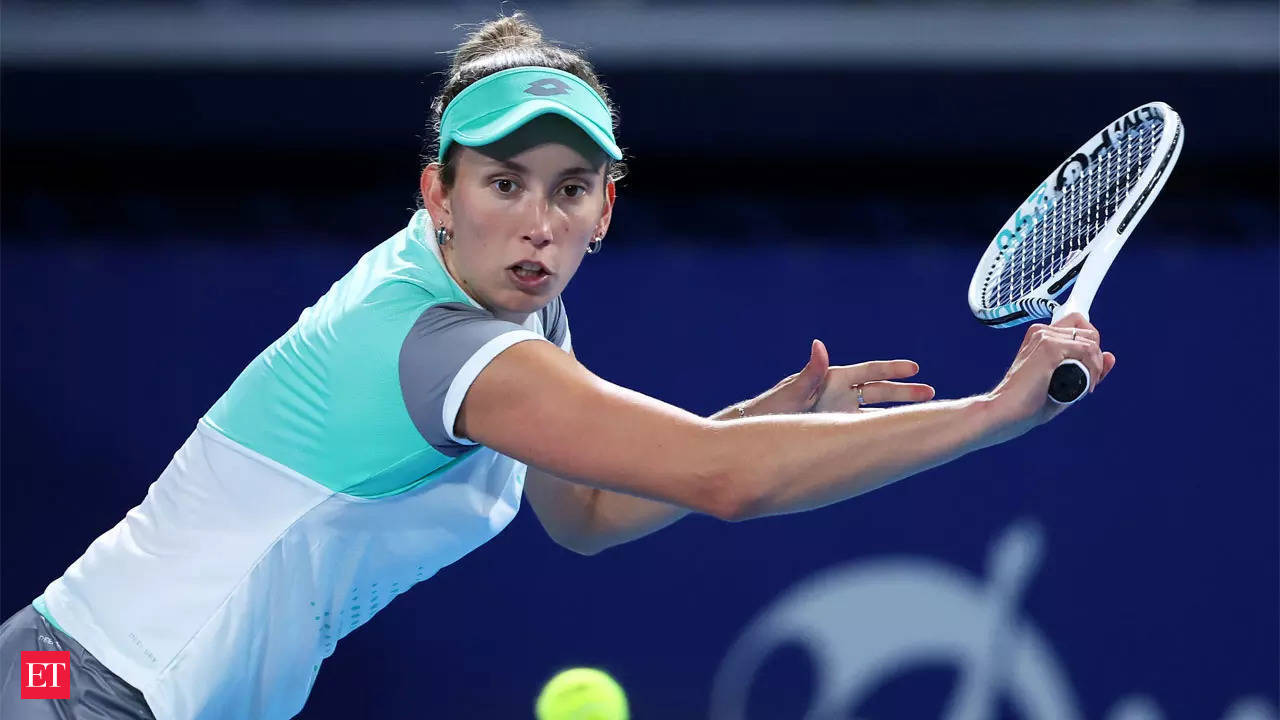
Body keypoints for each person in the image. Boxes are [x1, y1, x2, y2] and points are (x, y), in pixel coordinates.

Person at [0, 11, 1114, 720]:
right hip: (76, 687)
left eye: (569, 190)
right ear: (439, 192)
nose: (537, 222)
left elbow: (582, 510)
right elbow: (720, 482)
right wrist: (992, 412)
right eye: (504, 182)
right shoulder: (445, 343)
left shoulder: (511, 322)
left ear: (604, 210)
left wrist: (757, 420)